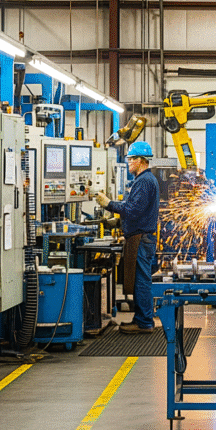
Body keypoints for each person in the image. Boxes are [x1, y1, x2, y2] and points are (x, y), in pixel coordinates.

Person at [96, 141, 160, 334]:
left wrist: (108, 204)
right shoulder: (144, 180)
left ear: (141, 161)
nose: (129, 162)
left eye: (131, 159)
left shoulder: (144, 181)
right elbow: (138, 211)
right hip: (140, 237)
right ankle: (141, 318)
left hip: (141, 239)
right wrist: (118, 223)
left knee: (141, 281)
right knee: (140, 279)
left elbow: (133, 210)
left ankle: (144, 323)